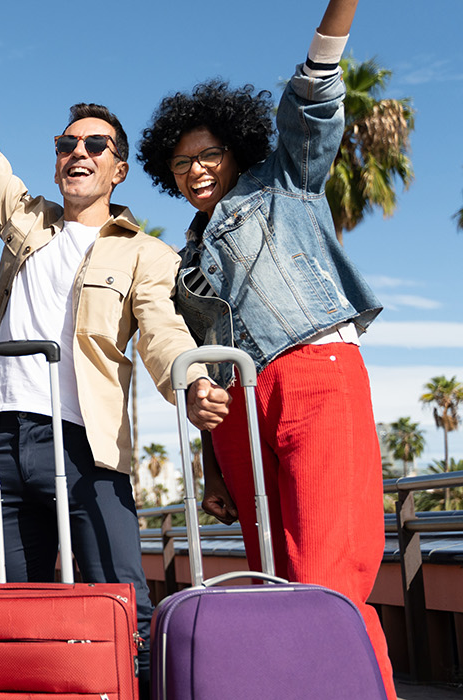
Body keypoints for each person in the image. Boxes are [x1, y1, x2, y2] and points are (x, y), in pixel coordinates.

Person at [0, 22, 229, 693]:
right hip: (5, 437)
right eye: (68, 144)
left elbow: (160, 329)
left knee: (122, 596)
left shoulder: (145, 254)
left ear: (117, 169)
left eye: (95, 145)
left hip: (85, 443)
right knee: (22, 600)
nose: (78, 152)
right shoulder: (24, 219)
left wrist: (186, 380)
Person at [137, 0, 393, 694]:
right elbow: (204, 359)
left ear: (235, 149)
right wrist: (211, 462)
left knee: (330, 576)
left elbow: (313, 99)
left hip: (314, 373)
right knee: (274, 578)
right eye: (180, 162)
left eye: (207, 154)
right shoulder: (185, 260)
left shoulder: (282, 183)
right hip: (239, 418)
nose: (194, 171)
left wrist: (337, 15)